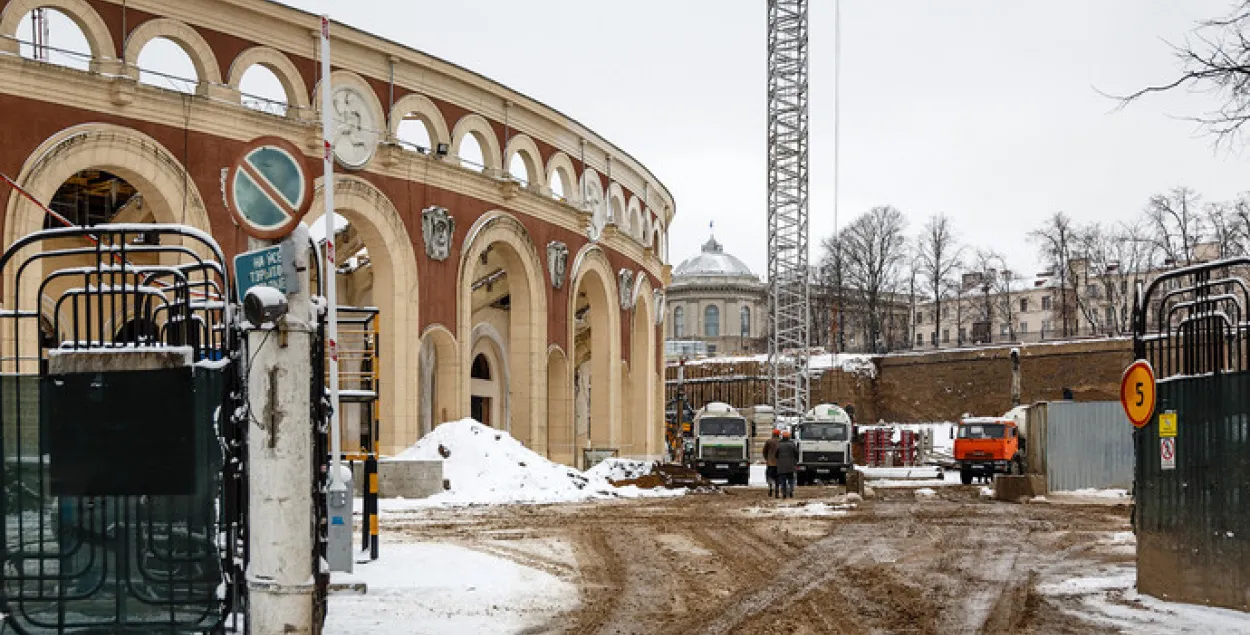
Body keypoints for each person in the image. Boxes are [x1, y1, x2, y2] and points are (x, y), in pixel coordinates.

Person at [775, 429, 800, 499]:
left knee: (783, 481)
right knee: (791, 480)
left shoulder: (779, 445)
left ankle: (784, 493)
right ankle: (791, 491)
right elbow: (797, 453)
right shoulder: (792, 444)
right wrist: (795, 461)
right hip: (791, 466)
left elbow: (776, 455)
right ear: (789, 437)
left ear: (782, 437)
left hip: (781, 466)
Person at [762, 428, 781, 497]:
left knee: (769, 476)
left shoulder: (768, 441)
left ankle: (770, 486)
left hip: (770, 463)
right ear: (779, 434)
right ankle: (777, 491)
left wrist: (767, 459)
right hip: (779, 464)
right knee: (777, 478)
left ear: (773, 434)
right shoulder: (781, 442)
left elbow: (764, 451)